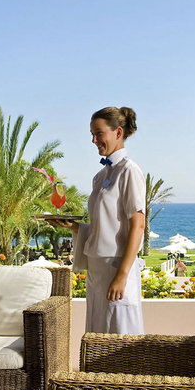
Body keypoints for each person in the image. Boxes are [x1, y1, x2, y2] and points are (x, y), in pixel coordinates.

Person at [52, 106, 145, 334]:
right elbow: (104, 224)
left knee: (120, 331)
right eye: (92, 134)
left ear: (118, 132)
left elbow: (138, 225)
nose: (94, 140)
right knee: (97, 333)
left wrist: (122, 276)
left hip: (116, 266)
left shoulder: (129, 171)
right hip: (97, 268)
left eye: (98, 133)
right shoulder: (100, 176)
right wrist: (75, 227)